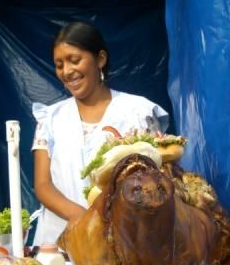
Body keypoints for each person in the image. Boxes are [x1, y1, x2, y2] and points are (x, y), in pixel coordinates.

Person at [31, 20, 169, 245]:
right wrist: (83, 218)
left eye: (75, 60)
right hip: (59, 243)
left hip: (125, 241)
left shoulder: (138, 112)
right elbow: (43, 184)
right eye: (59, 64)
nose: (66, 71)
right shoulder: (50, 119)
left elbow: (159, 177)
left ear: (100, 59)